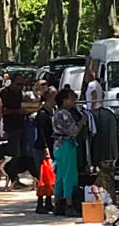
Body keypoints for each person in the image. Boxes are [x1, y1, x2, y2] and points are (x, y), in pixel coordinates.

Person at [52, 88, 87, 217]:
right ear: (64, 100)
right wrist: (82, 121)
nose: (74, 101)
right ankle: (69, 205)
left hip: (58, 146)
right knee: (69, 175)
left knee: (60, 175)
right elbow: (73, 132)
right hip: (66, 145)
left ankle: (57, 203)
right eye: (71, 99)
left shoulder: (56, 114)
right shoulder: (65, 114)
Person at [34, 87, 56, 214]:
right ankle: (39, 203)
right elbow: (41, 133)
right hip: (41, 147)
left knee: (49, 177)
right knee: (42, 177)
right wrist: (46, 148)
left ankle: (48, 202)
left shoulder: (52, 111)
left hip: (51, 145)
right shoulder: (42, 114)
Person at [0, 74, 27, 158]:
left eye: (22, 84)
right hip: (11, 126)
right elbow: (2, 110)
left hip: (21, 124)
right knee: (14, 152)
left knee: (23, 150)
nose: (20, 87)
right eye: (18, 84)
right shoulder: (5, 93)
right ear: (12, 82)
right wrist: (17, 111)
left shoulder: (20, 93)